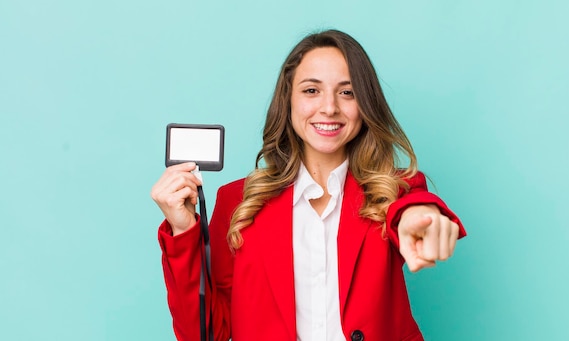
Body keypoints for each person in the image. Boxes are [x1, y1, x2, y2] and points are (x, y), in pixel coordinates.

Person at [151, 29, 466, 341]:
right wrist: (183, 230)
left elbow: (412, 210)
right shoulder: (238, 201)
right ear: (288, 101)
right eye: (311, 91)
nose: (329, 107)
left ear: (365, 104)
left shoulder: (394, 189)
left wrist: (418, 218)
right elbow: (207, 334)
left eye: (347, 92)